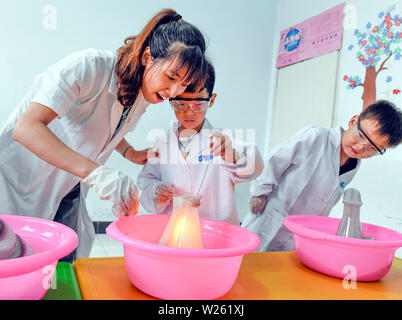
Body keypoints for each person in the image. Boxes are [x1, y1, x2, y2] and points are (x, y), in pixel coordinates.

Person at [0, 9, 208, 262]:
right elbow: (27, 128)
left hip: (66, 186)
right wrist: (97, 174)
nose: (174, 91)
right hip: (17, 181)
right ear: (147, 57)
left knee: (62, 264)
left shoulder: (143, 94)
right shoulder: (90, 67)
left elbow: (103, 127)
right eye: (171, 77)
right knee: (16, 267)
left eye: (184, 85)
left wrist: (129, 153)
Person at [242, 100, 402, 252]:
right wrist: (260, 192)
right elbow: (273, 161)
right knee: (249, 264)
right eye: (361, 136)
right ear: (353, 121)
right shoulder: (316, 136)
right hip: (270, 219)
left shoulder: (354, 165)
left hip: (301, 232)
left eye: (372, 148)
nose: (360, 147)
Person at [137, 61, 264, 225]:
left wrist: (231, 154)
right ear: (170, 100)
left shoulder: (224, 139)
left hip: (215, 231)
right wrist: (157, 192)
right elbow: (146, 181)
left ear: (211, 100)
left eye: (198, 105)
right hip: (173, 229)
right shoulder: (162, 144)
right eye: (180, 104)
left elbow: (254, 167)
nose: (188, 112)